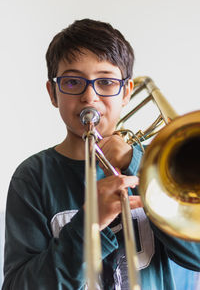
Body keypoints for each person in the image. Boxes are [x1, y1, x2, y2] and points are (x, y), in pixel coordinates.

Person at [2, 18, 200, 290]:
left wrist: (140, 168)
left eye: (106, 82)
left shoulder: (170, 168)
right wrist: (87, 225)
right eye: (72, 82)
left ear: (126, 92)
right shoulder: (33, 177)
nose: (90, 96)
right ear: (53, 93)